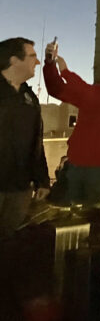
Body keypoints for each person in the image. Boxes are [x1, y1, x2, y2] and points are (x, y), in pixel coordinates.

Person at [43, 43, 100, 203]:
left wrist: (65, 72)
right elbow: (56, 89)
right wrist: (50, 64)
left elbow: (90, 95)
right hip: (75, 167)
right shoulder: (95, 92)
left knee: (96, 218)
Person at [0, 38, 49, 238]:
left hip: (19, 189)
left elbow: (36, 142)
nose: (37, 63)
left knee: (10, 243)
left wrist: (42, 179)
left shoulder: (29, 97)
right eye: (32, 57)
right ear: (14, 60)